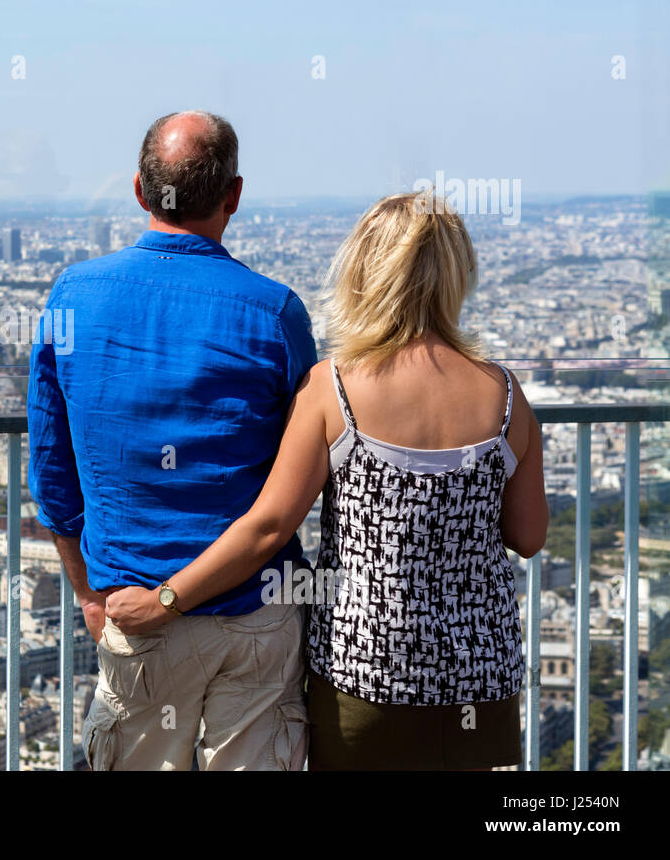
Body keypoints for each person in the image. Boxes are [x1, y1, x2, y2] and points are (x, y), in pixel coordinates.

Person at [106, 191, 548, 770]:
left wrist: (167, 599)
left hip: (364, 670)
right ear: (456, 276)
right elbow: (529, 535)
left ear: (366, 271)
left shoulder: (334, 389)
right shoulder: (507, 396)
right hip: (477, 676)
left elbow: (267, 527)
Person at [27, 110, 317, 771]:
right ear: (233, 196)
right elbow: (302, 471)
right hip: (256, 612)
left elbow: (51, 473)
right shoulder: (275, 313)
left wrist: (88, 593)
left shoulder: (74, 297)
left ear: (138, 189)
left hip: (135, 608)